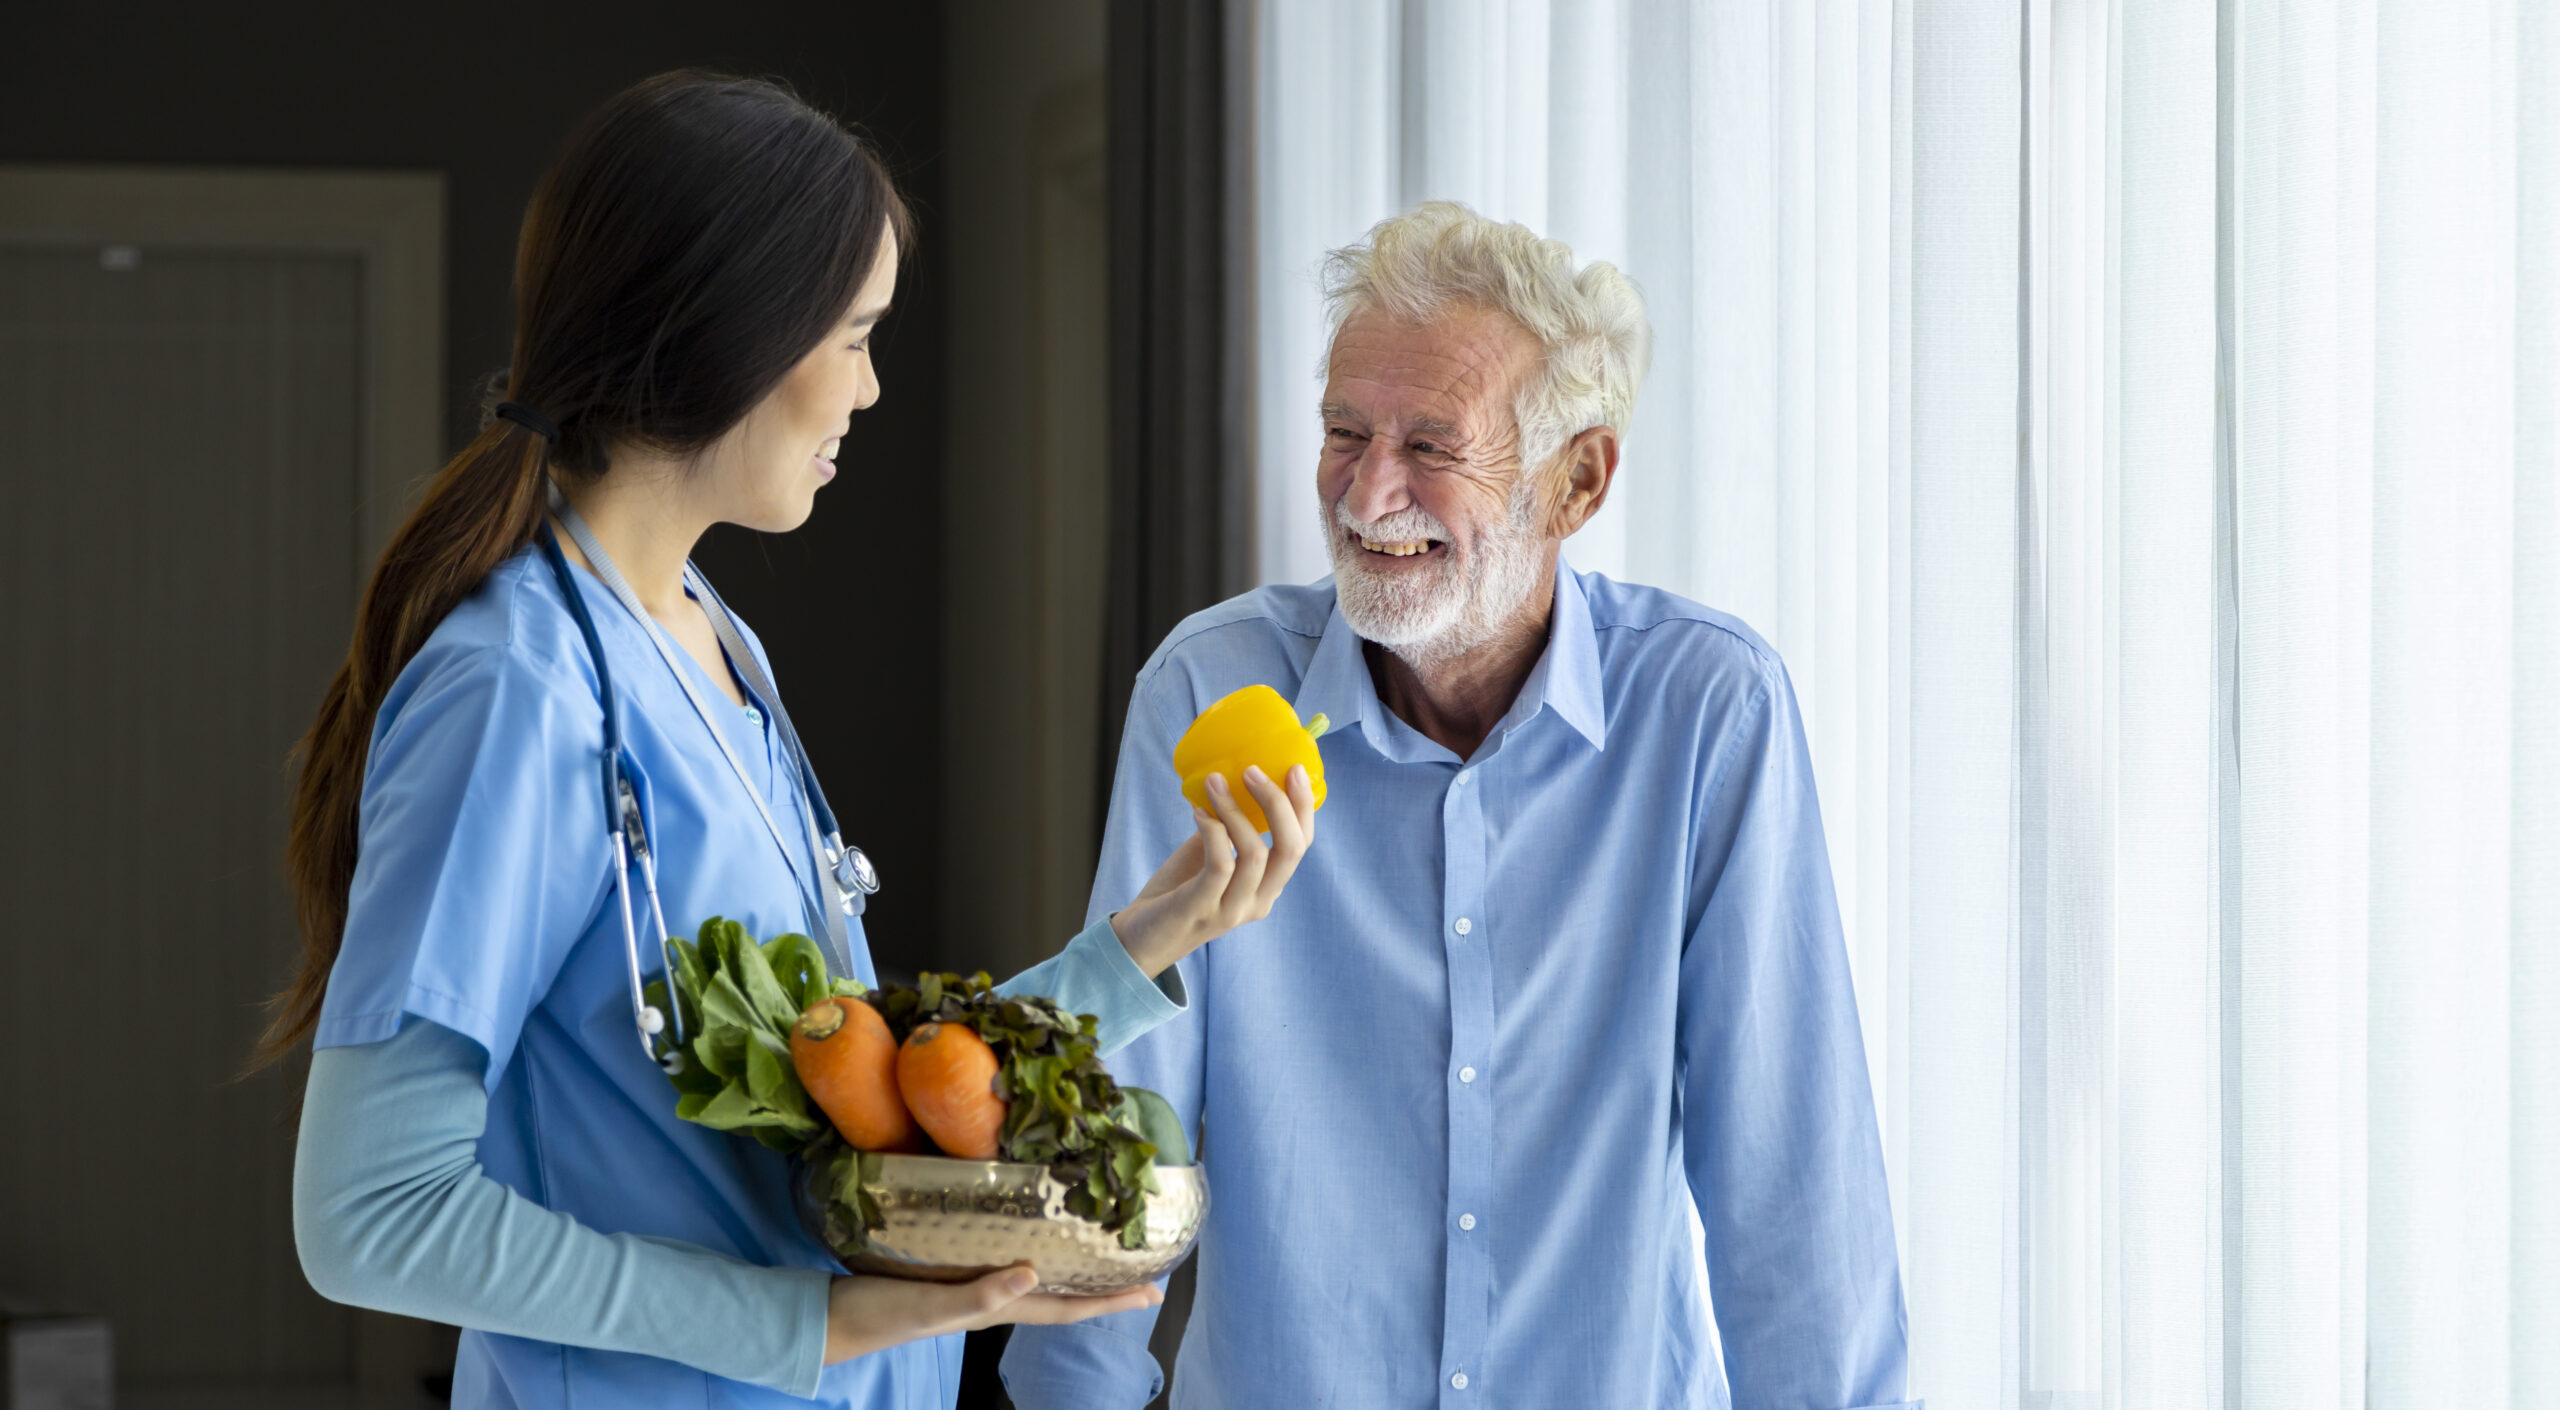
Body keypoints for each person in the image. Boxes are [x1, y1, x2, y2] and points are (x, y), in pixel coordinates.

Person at [258, 72, 1317, 1409]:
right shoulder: (518, 688)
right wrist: (800, 1326)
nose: (871, 389)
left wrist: (1140, 946)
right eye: (856, 333)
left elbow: (844, 1090)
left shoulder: (711, 636)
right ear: (732, 331)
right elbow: (369, 1213)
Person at [1002, 202, 1914, 1410]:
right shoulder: (1208, 689)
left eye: (1431, 446)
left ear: (1576, 480)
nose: (1368, 492)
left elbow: (1791, 1194)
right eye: (1343, 432)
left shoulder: (1705, 712)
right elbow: (1110, 1138)